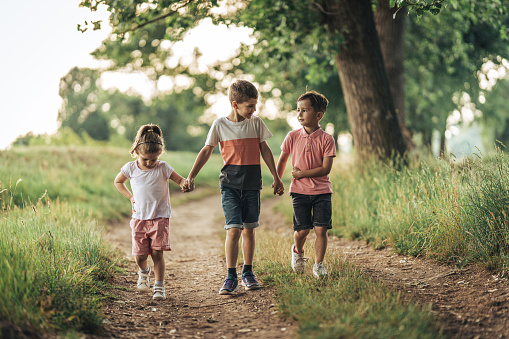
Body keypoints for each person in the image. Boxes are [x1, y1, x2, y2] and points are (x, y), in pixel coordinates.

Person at [184, 79, 284, 295]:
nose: (254, 110)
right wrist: (191, 176)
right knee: (233, 229)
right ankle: (230, 276)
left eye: (255, 106)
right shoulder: (219, 125)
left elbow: (265, 150)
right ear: (234, 104)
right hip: (229, 184)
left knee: (249, 229)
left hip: (252, 185)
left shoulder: (256, 123)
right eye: (250, 106)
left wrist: (276, 177)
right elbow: (206, 150)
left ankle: (248, 272)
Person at [114, 124, 187, 300]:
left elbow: (179, 179)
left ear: (159, 155)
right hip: (139, 218)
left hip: (160, 217)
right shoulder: (130, 168)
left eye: (153, 159)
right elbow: (118, 182)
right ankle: (144, 271)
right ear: (137, 152)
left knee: (157, 253)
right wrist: (131, 197)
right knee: (140, 256)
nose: (149, 163)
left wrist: (185, 183)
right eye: (145, 159)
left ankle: (159, 286)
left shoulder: (163, 167)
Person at [276, 90, 336, 278]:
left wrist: (302, 174)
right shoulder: (292, 136)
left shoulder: (327, 139)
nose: (299, 114)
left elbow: (325, 169)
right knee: (302, 231)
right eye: (298, 110)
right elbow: (283, 159)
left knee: (321, 228)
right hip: (299, 192)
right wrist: (277, 179)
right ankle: (298, 251)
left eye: (304, 110)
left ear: (318, 115)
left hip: (322, 191)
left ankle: (318, 265)